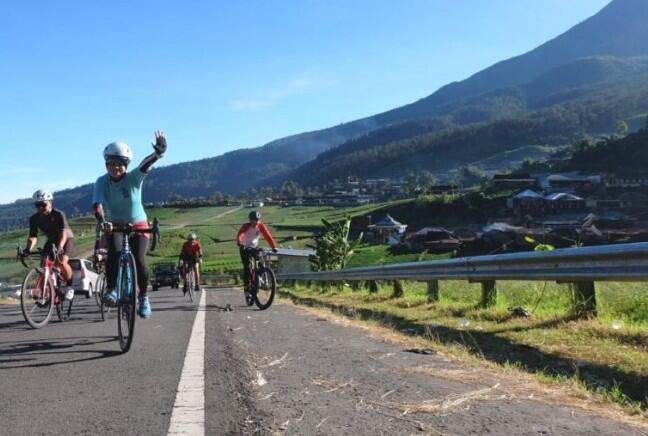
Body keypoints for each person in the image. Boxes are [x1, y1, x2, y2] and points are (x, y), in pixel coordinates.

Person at [92, 130, 167, 318]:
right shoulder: (101, 182)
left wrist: (158, 153)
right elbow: (97, 205)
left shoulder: (133, 178)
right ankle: (112, 290)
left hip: (138, 224)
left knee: (139, 260)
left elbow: (145, 164)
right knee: (114, 255)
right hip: (114, 225)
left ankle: (143, 297)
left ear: (125, 165)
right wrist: (103, 222)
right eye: (111, 163)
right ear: (106, 164)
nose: (115, 167)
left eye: (119, 164)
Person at [24, 189, 76, 300]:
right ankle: (44, 291)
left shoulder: (58, 214)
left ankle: (70, 286)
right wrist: (27, 249)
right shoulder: (34, 218)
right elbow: (33, 237)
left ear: (50, 202)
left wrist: (60, 247)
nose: (40, 208)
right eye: (37, 205)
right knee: (44, 263)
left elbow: (64, 234)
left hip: (66, 239)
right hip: (52, 240)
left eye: (43, 204)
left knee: (62, 262)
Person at [236, 210, 278, 303]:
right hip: (244, 247)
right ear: (250, 220)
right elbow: (240, 234)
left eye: (257, 220)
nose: (255, 222)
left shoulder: (261, 226)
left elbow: (268, 236)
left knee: (258, 261)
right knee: (247, 268)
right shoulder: (246, 226)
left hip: (254, 247)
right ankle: (247, 290)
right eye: (253, 220)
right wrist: (240, 243)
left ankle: (258, 276)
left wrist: (274, 246)